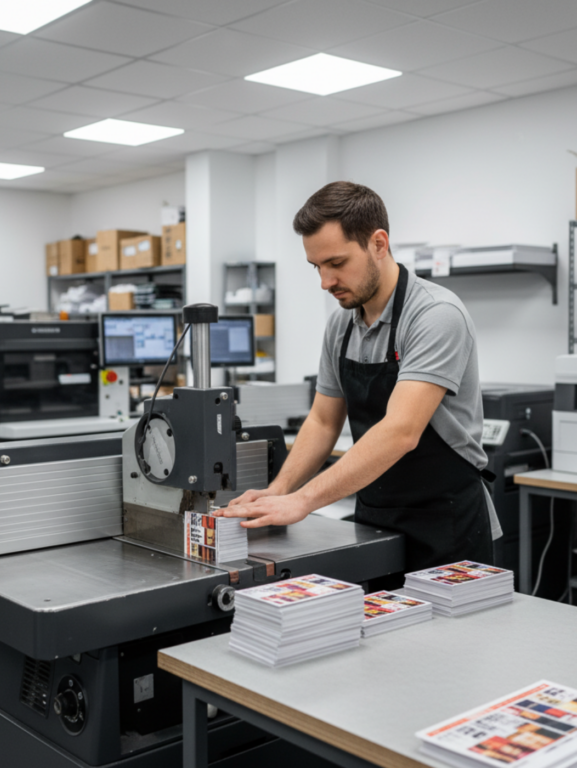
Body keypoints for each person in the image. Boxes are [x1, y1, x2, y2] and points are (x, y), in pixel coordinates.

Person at [214, 181, 501, 572]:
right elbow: (322, 420)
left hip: (445, 523)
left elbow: (401, 430)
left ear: (378, 244)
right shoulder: (340, 327)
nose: (325, 282)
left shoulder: (435, 315)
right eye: (317, 267)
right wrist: (280, 490)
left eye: (336, 263)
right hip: (375, 517)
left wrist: (304, 500)